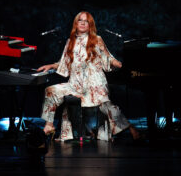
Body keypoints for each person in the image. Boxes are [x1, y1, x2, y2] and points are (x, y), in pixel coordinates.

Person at [37, 11, 140, 141]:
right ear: (76, 23)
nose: (83, 23)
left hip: (95, 83)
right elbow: (65, 62)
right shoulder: (70, 41)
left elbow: (107, 58)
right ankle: (49, 125)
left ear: (90, 25)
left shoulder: (97, 39)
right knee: (50, 90)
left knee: (105, 105)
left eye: (86, 21)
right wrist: (51, 65)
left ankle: (130, 127)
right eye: (80, 20)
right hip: (75, 84)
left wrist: (117, 63)